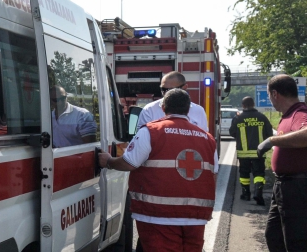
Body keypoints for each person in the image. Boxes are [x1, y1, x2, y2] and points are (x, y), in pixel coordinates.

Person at [99, 89, 218, 252]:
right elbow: (213, 173)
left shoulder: (151, 131)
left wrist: (109, 161)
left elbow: (129, 163)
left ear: (163, 107)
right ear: (188, 109)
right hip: (196, 216)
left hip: (158, 214)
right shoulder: (207, 138)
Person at [256, 74, 307, 251]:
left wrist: (272, 141)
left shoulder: (300, 113)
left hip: (298, 187)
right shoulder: (288, 116)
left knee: (298, 243)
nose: (270, 100)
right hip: (285, 186)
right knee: (274, 236)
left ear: (275, 94)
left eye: (269, 95)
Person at [229, 96, 273, 205]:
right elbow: (270, 134)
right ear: (253, 104)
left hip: (243, 153)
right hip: (259, 152)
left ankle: (246, 194)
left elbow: (232, 132)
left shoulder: (238, 118)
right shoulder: (262, 117)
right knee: (259, 173)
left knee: (244, 174)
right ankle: (258, 192)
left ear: (243, 105)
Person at [137, 71, 208, 133]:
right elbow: (141, 138)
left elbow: (203, 138)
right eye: (163, 89)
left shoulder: (199, 111)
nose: (166, 93)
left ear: (185, 88)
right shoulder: (149, 110)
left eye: (170, 90)